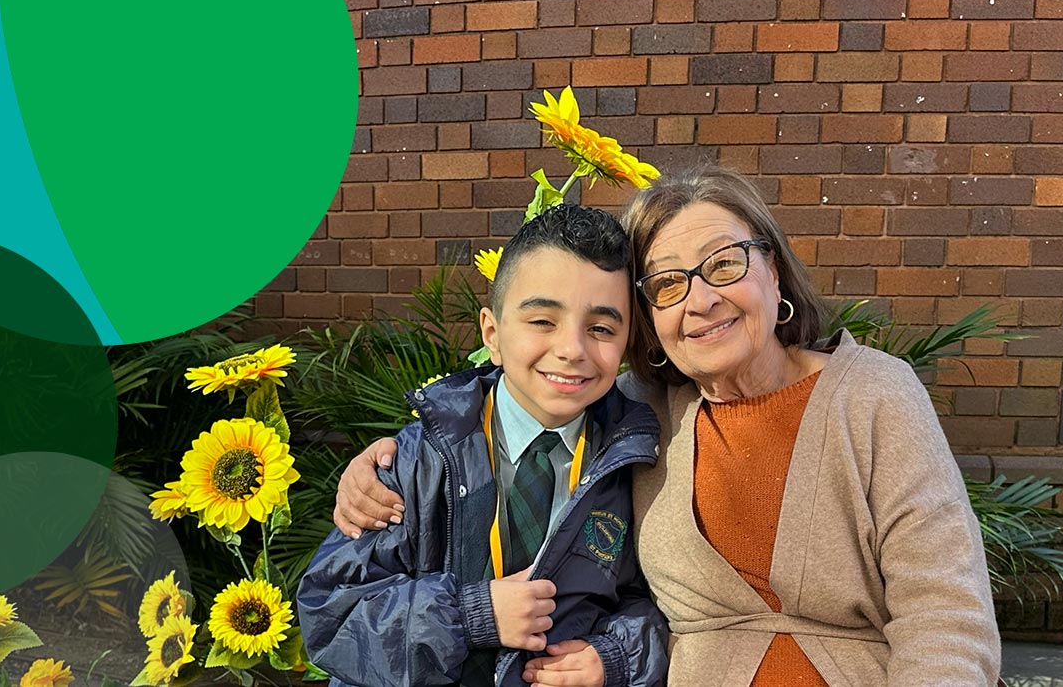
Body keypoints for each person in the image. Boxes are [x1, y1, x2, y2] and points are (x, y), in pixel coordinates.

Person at [332, 167, 1001, 686]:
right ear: (649, 320)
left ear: (774, 270)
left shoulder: (874, 395)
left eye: (725, 264)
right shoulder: (642, 415)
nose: (702, 299)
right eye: (668, 283)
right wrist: (391, 452)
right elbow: (529, 387)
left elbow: (944, 615)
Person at [298, 204, 670, 687]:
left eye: (601, 328)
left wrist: (614, 657)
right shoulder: (416, 464)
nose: (573, 349)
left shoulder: (633, 463)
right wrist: (472, 614)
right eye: (542, 321)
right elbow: (331, 617)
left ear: (626, 340)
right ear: (492, 334)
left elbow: (656, 602)